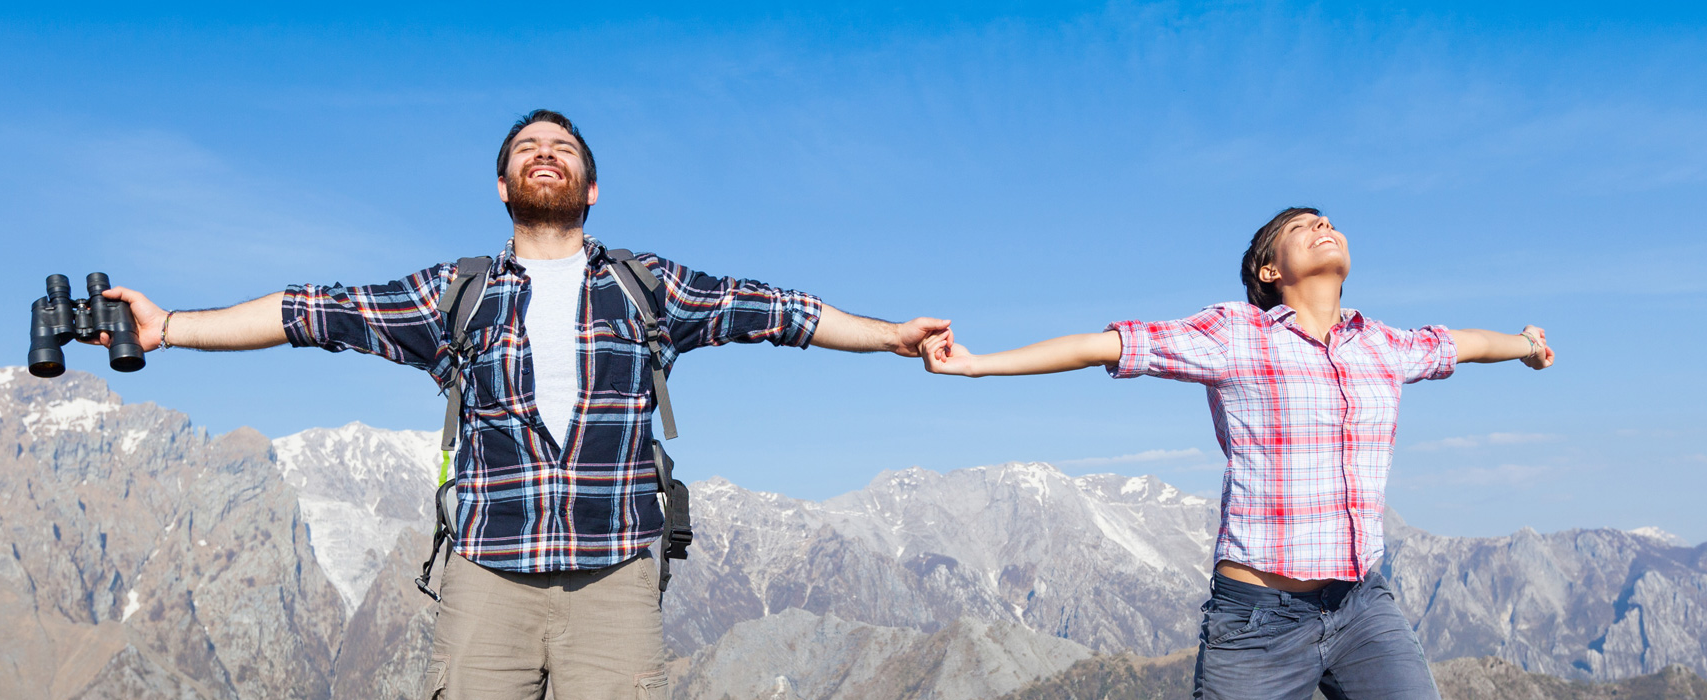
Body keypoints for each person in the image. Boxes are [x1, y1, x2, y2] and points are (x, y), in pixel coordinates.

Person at [88, 109, 950, 699]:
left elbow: (777, 312)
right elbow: (309, 312)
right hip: (486, 576)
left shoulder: (648, 287)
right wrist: (171, 327)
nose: (546, 152)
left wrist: (891, 337)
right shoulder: (452, 295)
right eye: (527, 148)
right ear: (503, 186)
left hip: (614, 576)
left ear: (591, 187)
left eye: (563, 148)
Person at [917, 207, 1554, 700]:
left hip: (1364, 606)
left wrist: (1526, 344)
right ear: (1269, 271)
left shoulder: (1382, 345)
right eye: (1302, 228)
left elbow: (1462, 344)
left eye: (1327, 222)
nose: (1323, 227)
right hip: (1258, 621)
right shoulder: (1235, 335)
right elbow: (1105, 346)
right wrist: (975, 366)